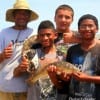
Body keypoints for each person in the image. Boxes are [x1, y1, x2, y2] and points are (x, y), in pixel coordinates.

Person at [48, 14, 100, 100]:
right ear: (79, 30)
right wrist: (64, 77)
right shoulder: (72, 50)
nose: (87, 29)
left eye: (90, 26)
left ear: (97, 29)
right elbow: (67, 78)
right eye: (83, 26)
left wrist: (86, 78)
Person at [0, 0, 38, 100]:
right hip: (6, 87)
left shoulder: (34, 33)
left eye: (25, 14)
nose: (22, 16)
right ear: (14, 15)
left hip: (27, 87)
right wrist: (2, 55)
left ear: (29, 17)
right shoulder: (3, 33)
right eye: (19, 13)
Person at [26, 20, 65, 100]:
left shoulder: (62, 56)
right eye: (42, 35)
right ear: (38, 37)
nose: (45, 38)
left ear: (55, 35)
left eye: (48, 35)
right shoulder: (32, 54)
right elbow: (29, 78)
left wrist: (54, 77)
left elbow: (62, 86)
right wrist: (21, 68)